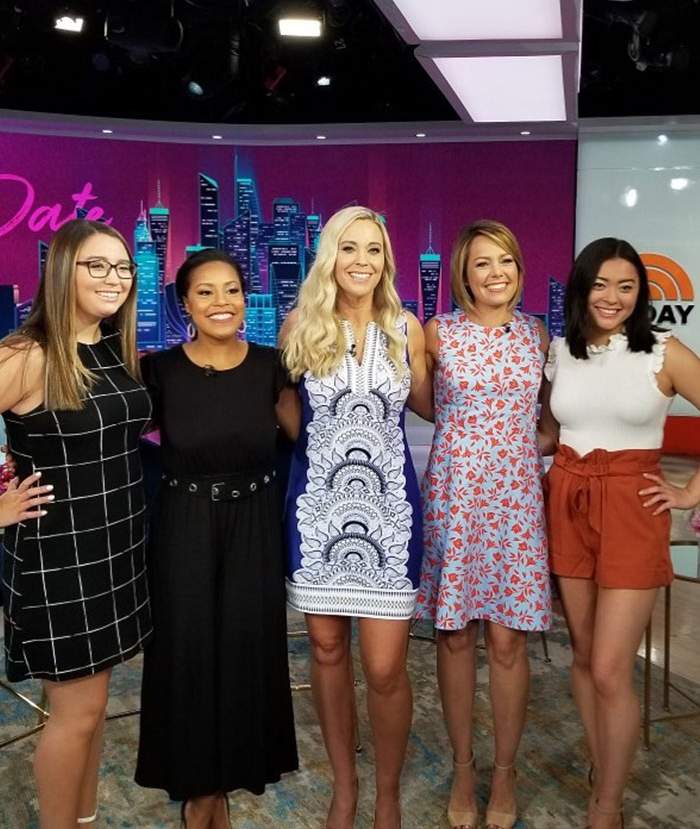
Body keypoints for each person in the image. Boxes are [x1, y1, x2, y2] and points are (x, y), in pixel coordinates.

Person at [539, 237, 700, 829]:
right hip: (568, 497)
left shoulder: (662, 352)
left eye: (626, 286)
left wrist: (688, 493)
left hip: (633, 507)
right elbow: (550, 432)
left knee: (610, 665)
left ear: (641, 293)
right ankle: (604, 763)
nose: (612, 297)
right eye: (600, 284)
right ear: (582, 289)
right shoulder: (561, 351)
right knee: (583, 656)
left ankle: (608, 802)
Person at [134, 249, 298, 829]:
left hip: (254, 523)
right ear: (185, 305)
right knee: (188, 655)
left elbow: (307, 438)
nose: (221, 302)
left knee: (246, 653)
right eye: (206, 292)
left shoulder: (273, 366)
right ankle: (200, 791)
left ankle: (226, 782)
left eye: (231, 290)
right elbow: (113, 440)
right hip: (184, 523)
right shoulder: (160, 371)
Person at [0, 218, 152, 829]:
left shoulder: (113, 346)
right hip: (60, 560)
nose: (114, 278)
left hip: (117, 551)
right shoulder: (27, 354)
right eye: (97, 265)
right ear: (62, 270)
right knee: (77, 716)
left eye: (123, 267)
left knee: (91, 711)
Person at [281, 205, 427, 829]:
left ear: (386, 260)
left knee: (386, 666)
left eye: (372, 249)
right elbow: (289, 414)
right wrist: (325, 454)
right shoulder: (300, 326)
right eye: (348, 248)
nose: (361, 261)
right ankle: (347, 785)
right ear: (328, 258)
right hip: (318, 508)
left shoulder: (407, 328)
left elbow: (428, 404)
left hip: (390, 511)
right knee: (325, 647)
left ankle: (387, 793)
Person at [415, 220, 552, 829]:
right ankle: (464, 769)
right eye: (481, 264)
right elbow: (421, 401)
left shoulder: (537, 334)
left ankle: (503, 772)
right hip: (457, 496)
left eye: (506, 261)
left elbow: (550, 418)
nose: (496, 273)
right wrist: (467, 437)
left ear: (519, 269)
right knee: (454, 635)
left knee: (508, 639)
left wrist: (523, 446)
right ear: (462, 275)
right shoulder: (438, 333)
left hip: (517, 502)